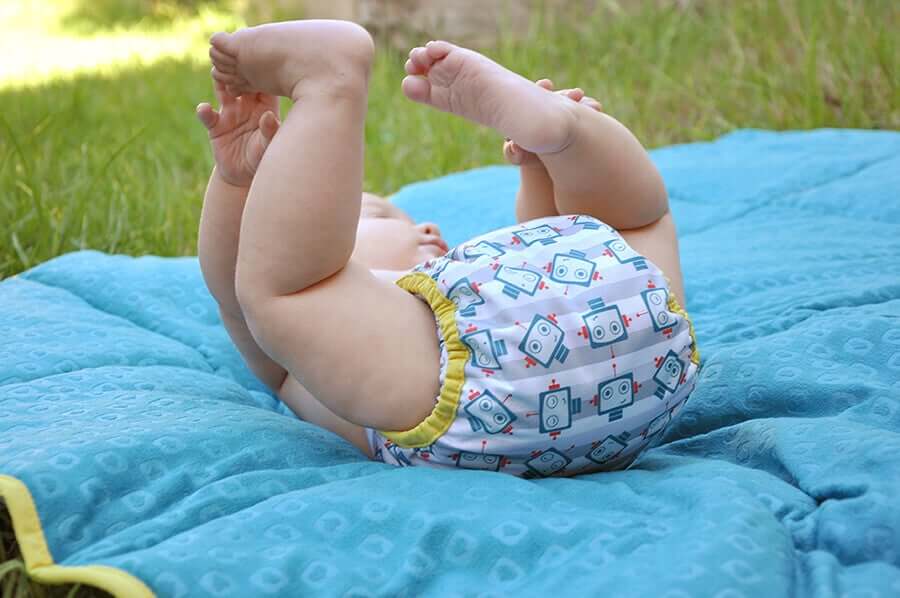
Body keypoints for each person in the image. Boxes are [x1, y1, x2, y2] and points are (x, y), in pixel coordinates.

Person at [196, 19, 699, 478]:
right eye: (370, 213)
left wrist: (538, 184)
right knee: (638, 222)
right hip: (654, 368)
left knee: (278, 294)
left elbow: (258, 286)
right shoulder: (312, 361)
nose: (428, 225)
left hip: (514, 393)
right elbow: (237, 290)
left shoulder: (414, 327)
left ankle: (337, 86)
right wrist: (238, 183)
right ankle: (564, 136)